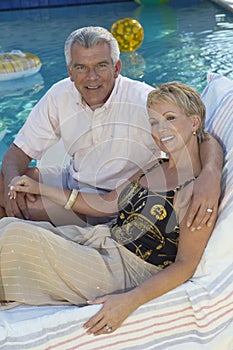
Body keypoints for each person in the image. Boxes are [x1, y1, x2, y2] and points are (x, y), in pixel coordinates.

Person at [2, 82, 217, 336]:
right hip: (102, 240)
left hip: (125, 272)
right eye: (154, 122)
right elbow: (106, 204)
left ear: (194, 123)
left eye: (170, 118)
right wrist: (40, 188)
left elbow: (185, 264)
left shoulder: (198, 191)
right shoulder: (154, 166)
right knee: (9, 227)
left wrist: (131, 300)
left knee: (16, 242)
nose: (160, 130)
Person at [0, 26, 222, 229]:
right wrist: (11, 188)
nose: (92, 77)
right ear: (70, 71)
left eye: (101, 66)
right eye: (81, 67)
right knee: (5, 187)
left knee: (30, 208)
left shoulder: (142, 99)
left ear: (117, 68)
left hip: (114, 202)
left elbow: (201, 136)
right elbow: (17, 153)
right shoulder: (60, 94)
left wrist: (210, 175)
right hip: (73, 180)